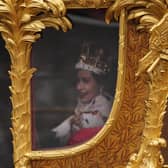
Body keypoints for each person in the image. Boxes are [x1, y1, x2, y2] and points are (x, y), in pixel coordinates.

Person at [52, 42, 112, 146]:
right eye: (78, 81)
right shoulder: (83, 105)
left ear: (100, 85)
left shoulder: (106, 108)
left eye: (86, 81)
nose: (78, 87)